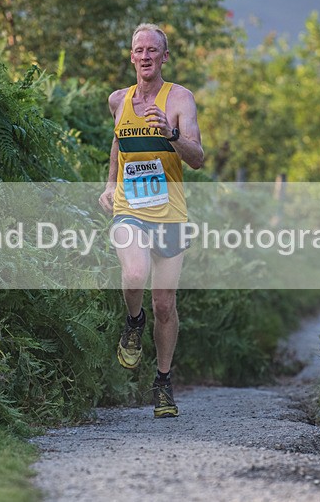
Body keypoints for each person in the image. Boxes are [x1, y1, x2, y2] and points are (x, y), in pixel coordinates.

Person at [98, 23, 204, 418]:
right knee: (135, 272)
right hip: (130, 209)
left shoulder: (180, 98)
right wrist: (110, 184)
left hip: (171, 215)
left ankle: (162, 381)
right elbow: (117, 141)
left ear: (164, 57)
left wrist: (170, 134)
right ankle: (133, 321)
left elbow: (197, 158)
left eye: (152, 50)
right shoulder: (118, 100)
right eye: (139, 50)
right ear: (131, 56)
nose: (145, 56)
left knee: (164, 305)